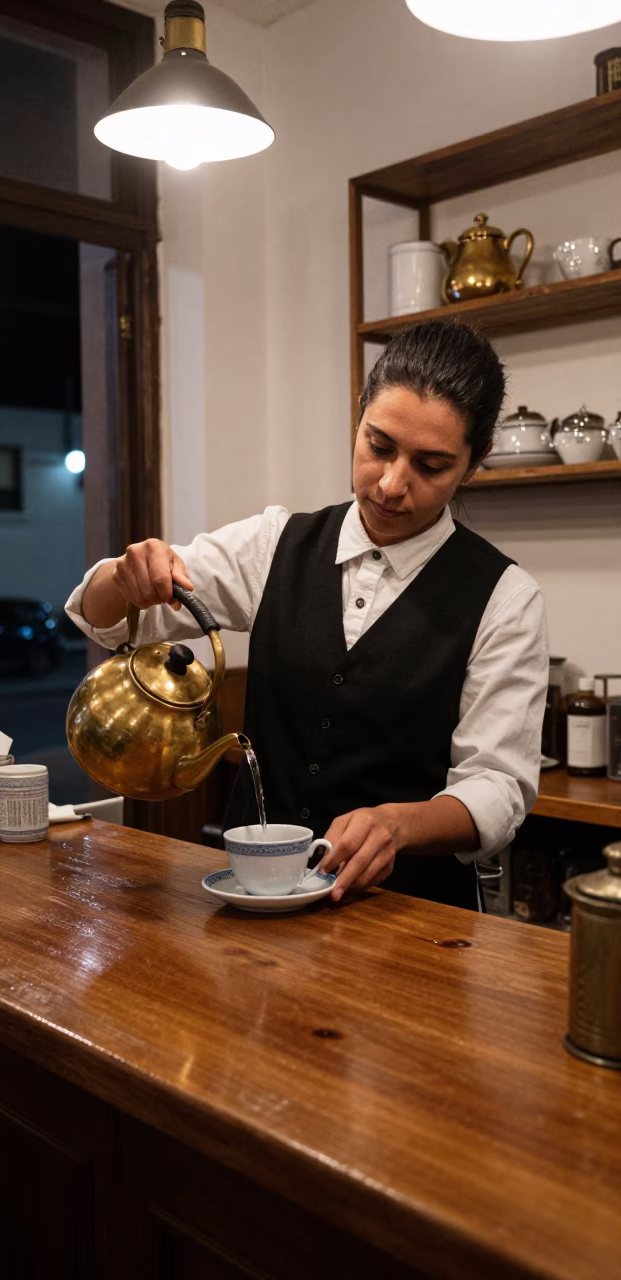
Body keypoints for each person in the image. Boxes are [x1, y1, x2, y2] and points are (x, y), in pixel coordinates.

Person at [66, 320, 548, 911]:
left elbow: (499, 787)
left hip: (409, 917)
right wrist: (126, 576)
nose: (393, 484)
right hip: (250, 901)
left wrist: (399, 825)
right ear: (359, 418)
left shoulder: (504, 596)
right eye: (379, 446)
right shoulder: (276, 545)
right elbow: (102, 619)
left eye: (431, 465)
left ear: (474, 464)